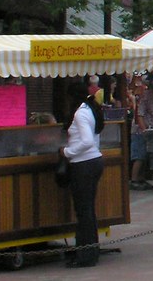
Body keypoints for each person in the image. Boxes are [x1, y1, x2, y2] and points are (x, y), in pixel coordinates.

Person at [61, 81, 105, 268]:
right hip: (93, 162)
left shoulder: (80, 113)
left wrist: (67, 152)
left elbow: (87, 141)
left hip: (83, 164)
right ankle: (90, 250)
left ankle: (85, 255)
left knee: (83, 211)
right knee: (88, 210)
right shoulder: (89, 109)